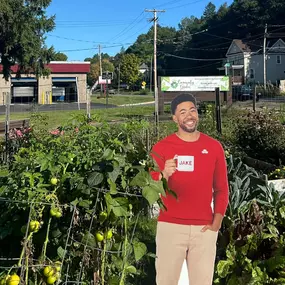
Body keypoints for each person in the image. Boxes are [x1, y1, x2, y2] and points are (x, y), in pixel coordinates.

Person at [150, 93, 229, 285]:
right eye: (183, 112)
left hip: (204, 229)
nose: (189, 115)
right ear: (175, 119)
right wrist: (164, 174)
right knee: (166, 281)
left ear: (198, 114)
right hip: (170, 227)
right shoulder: (161, 148)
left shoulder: (213, 147)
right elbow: (151, 189)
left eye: (192, 110)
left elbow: (221, 188)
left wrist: (217, 221)